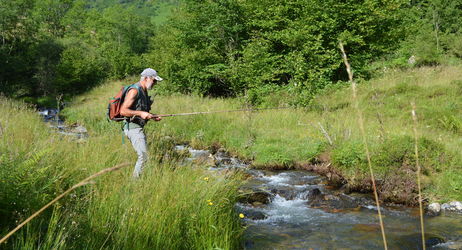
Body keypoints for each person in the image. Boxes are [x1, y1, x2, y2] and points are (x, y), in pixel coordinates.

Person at [120, 68, 163, 178]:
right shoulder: (134, 90)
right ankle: (134, 183)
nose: (155, 83)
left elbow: (141, 111)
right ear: (146, 78)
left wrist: (152, 116)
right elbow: (123, 111)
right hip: (132, 128)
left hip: (137, 127)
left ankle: (137, 179)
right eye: (154, 80)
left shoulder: (144, 91)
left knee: (144, 156)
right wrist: (140, 113)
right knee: (143, 156)